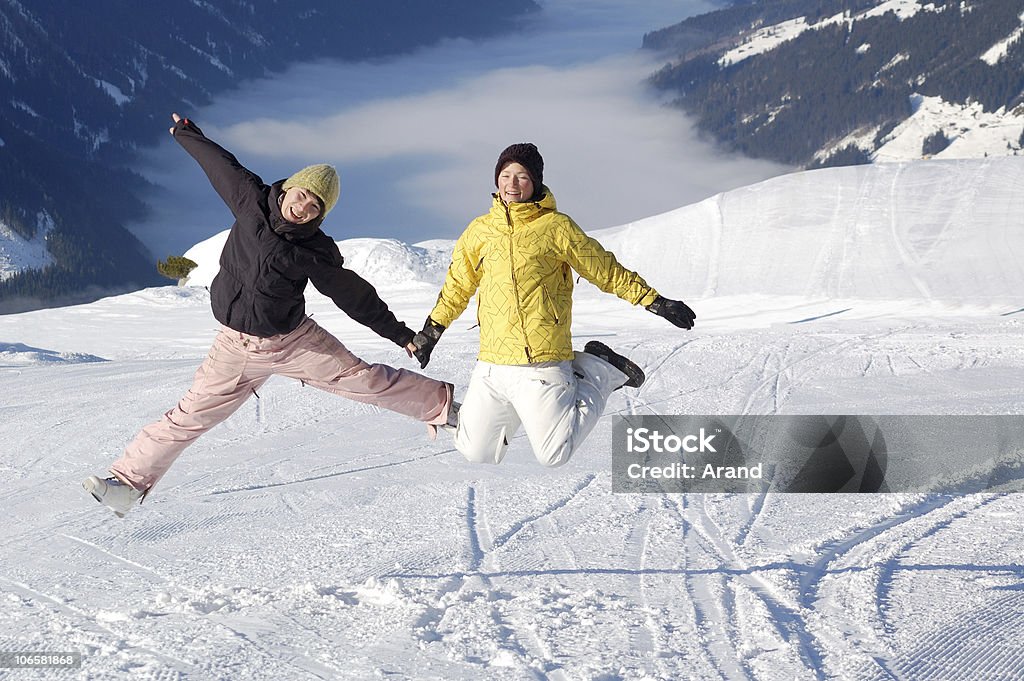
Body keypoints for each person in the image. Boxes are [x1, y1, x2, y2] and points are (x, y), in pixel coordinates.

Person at [83, 113, 455, 517]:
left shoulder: (312, 249)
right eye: (302, 195)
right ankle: (126, 484)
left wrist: (400, 334)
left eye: (315, 206)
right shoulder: (250, 200)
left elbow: (354, 296)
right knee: (187, 416)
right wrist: (187, 134)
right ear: (288, 188)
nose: (303, 208)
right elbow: (220, 166)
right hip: (232, 343)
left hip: (291, 342)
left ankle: (446, 408)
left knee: (363, 380)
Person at [409, 143, 696, 467]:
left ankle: (601, 367)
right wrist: (431, 331)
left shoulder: (556, 227)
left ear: (536, 183)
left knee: (554, 453)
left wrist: (655, 301)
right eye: (506, 176)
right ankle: (455, 412)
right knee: (478, 451)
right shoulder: (479, 232)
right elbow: (458, 286)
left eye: (522, 177)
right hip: (493, 362)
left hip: (541, 361)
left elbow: (604, 270)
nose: (512, 184)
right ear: (496, 180)